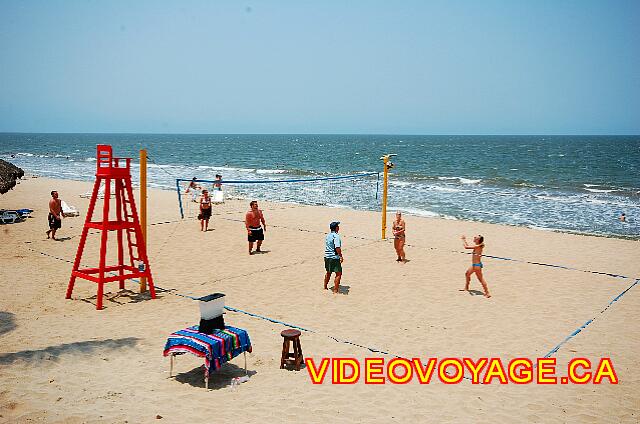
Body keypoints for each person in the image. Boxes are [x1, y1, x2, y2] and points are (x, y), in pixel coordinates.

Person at [324, 221, 344, 294]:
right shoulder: (336, 236)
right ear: (336, 228)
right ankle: (335, 291)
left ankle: (325, 287)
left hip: (327, 256)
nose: (339, 227)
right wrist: (341, 256)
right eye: (338, 226)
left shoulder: (328, 235)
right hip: (334, 257)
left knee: (328, 272)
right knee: (338, 273)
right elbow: (337, 247)